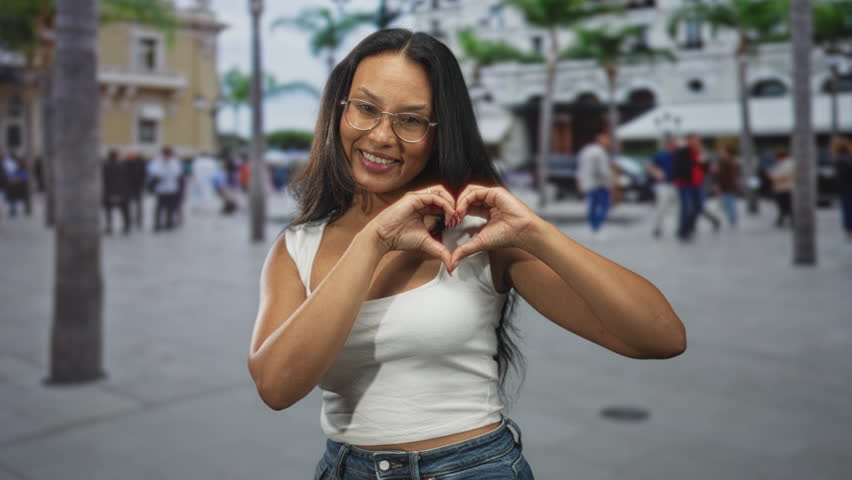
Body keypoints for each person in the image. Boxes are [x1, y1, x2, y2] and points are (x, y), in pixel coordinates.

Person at [247, 29, 686, 480]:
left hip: (473, 468)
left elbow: (661, 337)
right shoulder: (297, 247)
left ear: (440, 132)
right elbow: (276, 386)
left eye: (412, 120)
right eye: (366, 108)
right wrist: (371, 240)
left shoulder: (481, 235)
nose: (381, 136)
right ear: (340, 108)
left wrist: (539, 234)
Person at [576, 129, 614, 238]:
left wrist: (580, 180)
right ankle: (597, 227)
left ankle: (593, 227)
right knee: (604, 206)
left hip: (588, 183)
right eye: (607, 140)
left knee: (592, 206)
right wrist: (610, 179)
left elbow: (580, 168)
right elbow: (602, 171)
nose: (608, 142)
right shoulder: (600, 152)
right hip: (599, 183)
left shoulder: (586, 150)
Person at [647, 135, 679, 238]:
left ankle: (678, 227)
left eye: (675, 144)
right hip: (663, 184)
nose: (674, 146)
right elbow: (649, 166)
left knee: (678, 207)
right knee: (661, 207)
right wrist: (656, 173)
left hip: (676, 184)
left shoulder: (678, 155)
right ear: (668, 144)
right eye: (672, 144)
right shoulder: (661, 155)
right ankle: (658, 227)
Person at [146, 146, 183, 232]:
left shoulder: (175, 162)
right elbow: (154, 172)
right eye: (166, 155)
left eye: (169, 155)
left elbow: (177, 173)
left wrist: (166, 173)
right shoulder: (156, 162)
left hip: (172, 188)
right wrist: (164, 173)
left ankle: (169, 223)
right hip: (161, 189)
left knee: (170, 207)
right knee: (159, 207)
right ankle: (157, 224)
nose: (168, 157)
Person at [101, 149, 131, 235]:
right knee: (124, 211)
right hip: (121, 192)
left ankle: (109, 227)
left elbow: (104, 180)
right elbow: (125, 180)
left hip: (109, 192)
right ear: (116, 157)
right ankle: (126, 226)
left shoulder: (105, 166)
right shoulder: (122, 166)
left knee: (108, 211)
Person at [831, 137, 852, 243]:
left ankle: (849, 234)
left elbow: (841, 178)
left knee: (848, 211)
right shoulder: (848, 158)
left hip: (847, 189)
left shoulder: (840, 160)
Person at [715, 145, 741, 228]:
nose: (721, 153)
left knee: (728, 203)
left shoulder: (727, 162)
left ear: (727, 153)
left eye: (722, 151)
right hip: (728, 185)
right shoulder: (729, 161)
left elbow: (722, 175)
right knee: (728, 203)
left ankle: (733, 219)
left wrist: (718, 184)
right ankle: (732, 219)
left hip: (727, 185)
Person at [769, 149, 794, 228]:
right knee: (784, 205)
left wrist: (775, 177)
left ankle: (784, 220)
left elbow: (784, 175)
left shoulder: (788, 164)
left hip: (785, 188)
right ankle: (783, 219)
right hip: (781, 188)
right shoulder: (782, 163)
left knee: (786, 205)